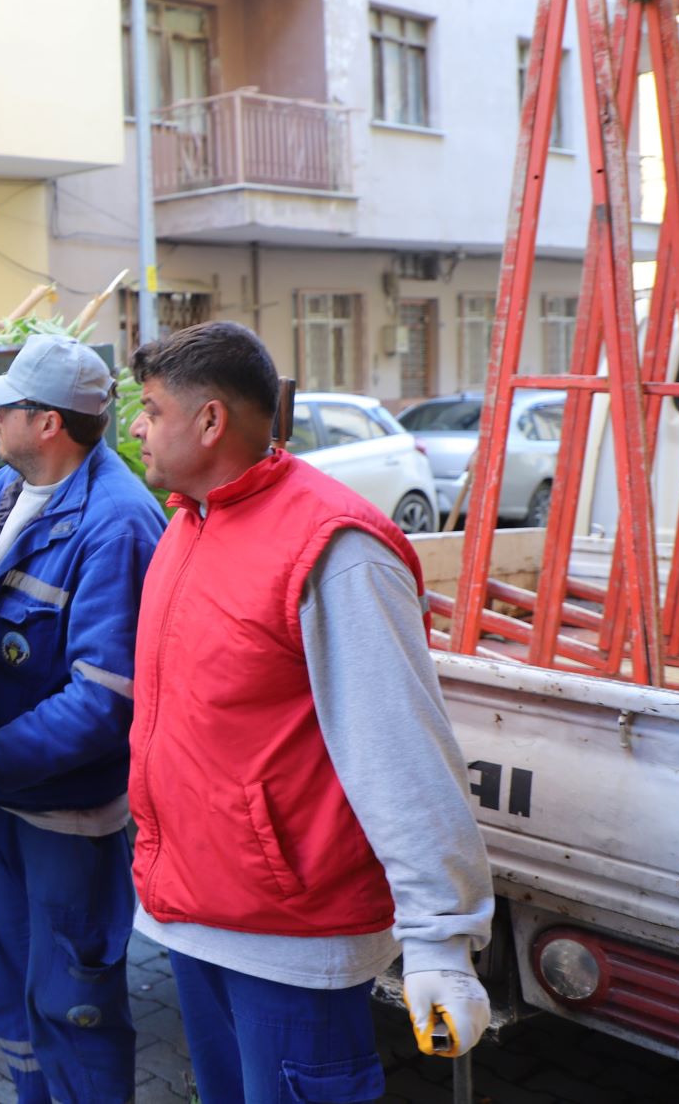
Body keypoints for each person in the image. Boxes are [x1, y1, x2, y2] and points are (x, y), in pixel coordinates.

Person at [125, 322, 492, 1104]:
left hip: (290, 940)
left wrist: (440, 939)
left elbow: (403, 751)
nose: (136, 426)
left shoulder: (333, 549)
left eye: (151, 409)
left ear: (211, 420)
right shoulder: (187, 524)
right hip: (196, 915)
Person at [0, 334, 163, 1103]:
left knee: (75, 1003)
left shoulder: (117, 524)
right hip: (2, 801)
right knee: (10, 982)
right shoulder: (9, 485)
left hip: (65, 814)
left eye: (7, 403)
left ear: (49, 422)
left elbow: (101, 704)